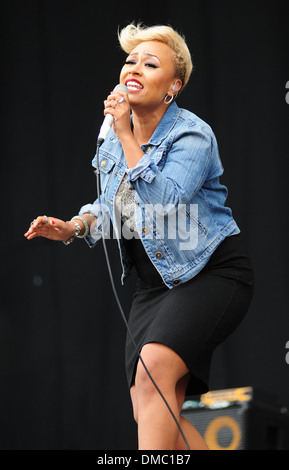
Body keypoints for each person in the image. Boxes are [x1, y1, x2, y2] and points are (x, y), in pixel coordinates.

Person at [25, 23, 254, 450]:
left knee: (153, 376)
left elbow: (164, 204)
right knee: (152, 404)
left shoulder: (191, 135)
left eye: (150, 64)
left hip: (210, 273)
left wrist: (128, 135)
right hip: (154, 287)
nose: (134, 68)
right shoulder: (113, 135)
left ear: (173, 87)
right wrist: (74, 227)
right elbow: (115, 206)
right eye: (130, 61)